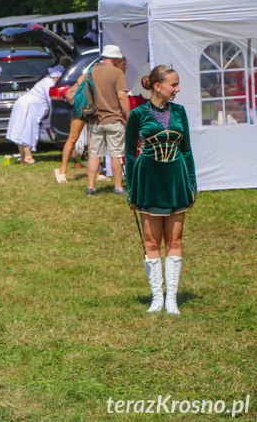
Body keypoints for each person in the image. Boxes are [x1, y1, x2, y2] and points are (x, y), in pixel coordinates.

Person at [126, 65, 196, 314]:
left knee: (175, 239)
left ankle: (172, 299)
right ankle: (157, 297)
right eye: (173, 85)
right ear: (157, 86)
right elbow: (130, 155)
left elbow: (186, 149)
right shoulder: (138, 114)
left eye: (177, 85)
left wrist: (192, 183)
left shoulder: (180, 112)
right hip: (148, 179)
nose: (177, 89)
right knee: (151, 241)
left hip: (176, 179)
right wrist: (132, 190)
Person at [86, 45, 130, 195]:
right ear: (115, 58)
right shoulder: (117, 72)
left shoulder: (92, 71)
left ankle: (91, 187)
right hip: (113, 119)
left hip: (95, 120)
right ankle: (118, 187)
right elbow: (122, 96)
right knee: (116, 154)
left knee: (94, 154)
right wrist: (129, 115)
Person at [6, 66, 65, 164]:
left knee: (21, 129)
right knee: (28, 130)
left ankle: (23, 157)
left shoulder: (45, 80)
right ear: (58, 78)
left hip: (23, 103)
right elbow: (50, 100)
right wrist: (53, 113)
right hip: (31, 106)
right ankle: (28, 157)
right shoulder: (50, 83)